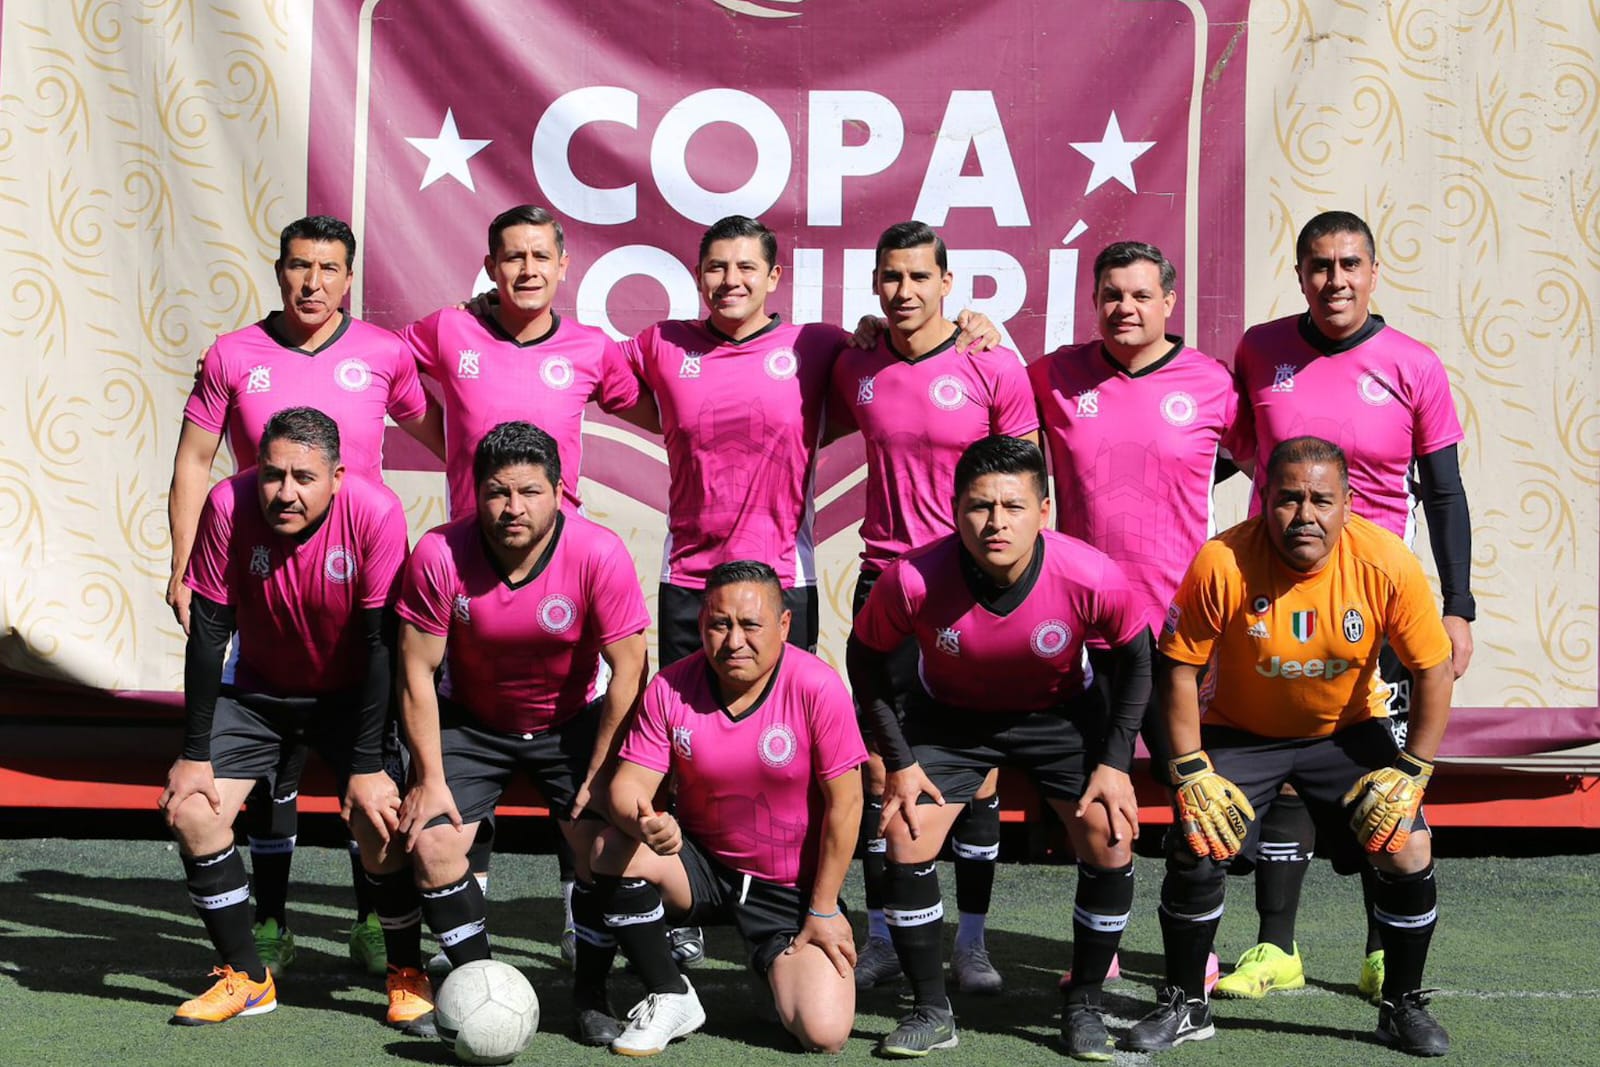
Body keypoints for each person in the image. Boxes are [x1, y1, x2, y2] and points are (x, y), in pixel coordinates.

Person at [166, 214, 445, 977]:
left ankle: (371, 921)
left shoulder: (384, 354)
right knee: (270, 764)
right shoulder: (232, 355)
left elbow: (449, 441)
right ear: (279, 270)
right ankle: (268, 923)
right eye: (298, 266)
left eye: (328, 269)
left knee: (366, 764)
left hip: (358, 591)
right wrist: (182, 561)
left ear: (349, 279)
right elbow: (193, 460)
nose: (312, 282)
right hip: (263, 586)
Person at [1125, 436, 1453, 1057]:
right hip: (1241, 731)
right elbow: (1178, 669)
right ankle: (1186, 1004)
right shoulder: (1222, 561)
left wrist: (1414, 771)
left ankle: (1401, 1004)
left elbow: (1433, 669)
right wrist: (1189, 770)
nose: (1305, 515)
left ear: (1348, 504)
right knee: (1197, 838)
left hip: (1345, 731)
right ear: (1263, 500)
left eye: (1321, 500)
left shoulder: (1386, 562)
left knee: (1408, 844)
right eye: (1288, 499)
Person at [1219, 210, 1475, 1002]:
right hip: (1272, 596)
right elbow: (1217, 452)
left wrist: (1459, 604)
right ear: (1301, 275)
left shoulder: (1414, 364)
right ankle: (1275, 948)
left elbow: (1443, 492)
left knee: (1380, 779)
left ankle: (1378, 952)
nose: (1335, 280)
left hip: (1376, 605)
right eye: (1320, 265)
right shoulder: (1260, 351)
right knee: (1284, 757)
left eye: (1349, 264)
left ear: (1372, 272)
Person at [400, 203, 657, 969]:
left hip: (559, 578)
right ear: (490, 267)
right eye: (512, 256)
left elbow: (659, 407)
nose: (527, 269)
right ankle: (464, 922)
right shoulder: (451, 332)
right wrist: (442, 435)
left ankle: (583, 920)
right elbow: (383, 366)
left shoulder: (589, 348)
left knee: (574, 770)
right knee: (469, 736)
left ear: (564, 264)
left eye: (541, 256)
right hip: (471, 574)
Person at [849, 435, 1152, 1060]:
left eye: (1013, 507)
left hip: (1060, 717)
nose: (996, 522)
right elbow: (866, 659)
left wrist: (1116, 763)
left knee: (1110, 833)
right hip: (951, 720)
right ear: (956, 510)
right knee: (905, 832)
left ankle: (1084, 1006)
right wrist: (899, 761)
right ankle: (932, 1011)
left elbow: (1138, 660)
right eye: (980, 506)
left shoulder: (1090, 573)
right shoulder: (912, 578)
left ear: (1043, 512)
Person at [158, 407, 432, 1032]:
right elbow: (209, 634)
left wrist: (368, 765)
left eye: (304, 477)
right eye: (272, 474)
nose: (285, 492)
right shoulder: (227, 504)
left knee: (379, 817)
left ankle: (407, 972)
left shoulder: (377, 512)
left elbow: (383, 646)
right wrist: (194, 753)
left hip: (351, 696)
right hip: (258, 695)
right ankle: (248, 978)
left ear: (336, 477)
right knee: (191, 810)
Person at [623, 214, 998, 668]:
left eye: (746, 267)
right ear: (699, 275)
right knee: (684, 709)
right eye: (717, 267)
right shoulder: (662, 342)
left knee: (787, 710)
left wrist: (972, 324)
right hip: (688, 578)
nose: (731, 280)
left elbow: (900, 357)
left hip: (784, 579)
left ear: (773, 276)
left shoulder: (818, 346)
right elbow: (594, 370)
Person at [828, 221, 1038, 995]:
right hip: (884, 584)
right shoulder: (856, 364)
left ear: (948, 283)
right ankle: (884, 936)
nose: (905, 291)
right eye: (892, 277)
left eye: (920, 276)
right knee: (882, 767)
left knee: (978, 772)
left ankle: (971, 942)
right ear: (876, 285)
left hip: (968, 588)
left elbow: (1026, 484)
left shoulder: (992, 362)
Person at [392, 421, 650, 1047]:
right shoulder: (439, 553)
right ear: (475, 493)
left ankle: (590, 994)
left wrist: (601, 775)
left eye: (530, 492)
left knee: (603, 845)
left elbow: (630, 669)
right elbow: (416, 671)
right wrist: (429, 777)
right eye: (498, 492)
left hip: (571, 723)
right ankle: (480, 986)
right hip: (471, 723)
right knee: (432, 843)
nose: (513, 508)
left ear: (559, 492)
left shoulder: (598, 552)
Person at [1029, 239, 1236, 991]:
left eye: (1142, 295)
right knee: (1095, 795)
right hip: (1088, 629)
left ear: (1169, 302)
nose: (1126, 307)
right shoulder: (1053, 377)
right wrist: (976, 331)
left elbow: (1254, 459)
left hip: (1183, 629)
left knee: (1193, 793)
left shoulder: (1212, 383)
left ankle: (1194, 946)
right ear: (1094, 301)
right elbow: (986, 396)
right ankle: (1102, 944)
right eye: (1112, 294)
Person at [586, 560, 866, 1055]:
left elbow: (847, 805)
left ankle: (771, 965)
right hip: (702, 868)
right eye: (720, 624)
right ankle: (670, 993)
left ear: (784, 624)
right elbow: (626, 787)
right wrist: (645, 822)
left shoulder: (817, 687)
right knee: (611, 848)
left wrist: (823, 908)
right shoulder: (670, 687)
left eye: (751, 625)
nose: (735, 641)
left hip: (787, 889)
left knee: (824, 1034)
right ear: (701, 624)